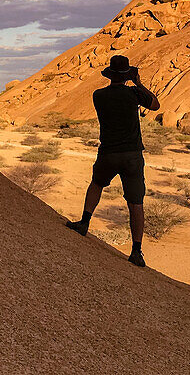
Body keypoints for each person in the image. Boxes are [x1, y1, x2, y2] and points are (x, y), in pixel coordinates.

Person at [65, 54, 160, 267]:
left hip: (108, 151)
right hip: (132, 155)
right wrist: (139, 83)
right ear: (127, 75)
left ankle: (84, 223)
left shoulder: (98, 95)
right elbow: (155, 105)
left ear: (110, 75)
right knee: (135, 202)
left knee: (97, 184)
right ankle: (136, 251)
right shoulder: (134, 93)